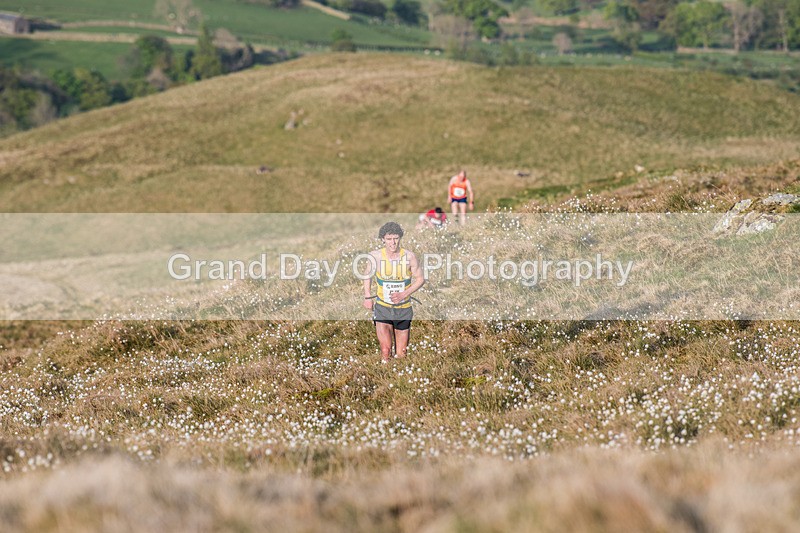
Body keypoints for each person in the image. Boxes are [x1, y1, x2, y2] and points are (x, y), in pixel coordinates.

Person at [363, 222, 425, 363]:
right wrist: (367, 297)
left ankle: (397, 375)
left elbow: (420, 279)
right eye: (389, 239)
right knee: (386, 351)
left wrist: (404, 294)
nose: (393, 242)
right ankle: (384, 373)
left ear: (400, 238)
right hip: (383, 308)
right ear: (383, 239)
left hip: (403, 309)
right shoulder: (375, 256)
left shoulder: (409, 256)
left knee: (402, 354)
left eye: (396, 238)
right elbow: (367, 275)